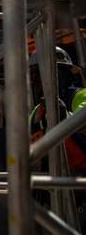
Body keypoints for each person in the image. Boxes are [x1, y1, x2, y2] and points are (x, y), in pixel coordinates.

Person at [29, 46, 86, 174]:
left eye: (42, 74)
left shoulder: (82, 96)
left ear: (66, 74)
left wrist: (65, 116)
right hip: (45, 188)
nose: (39, 81)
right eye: (35, 75)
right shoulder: (36, 112)